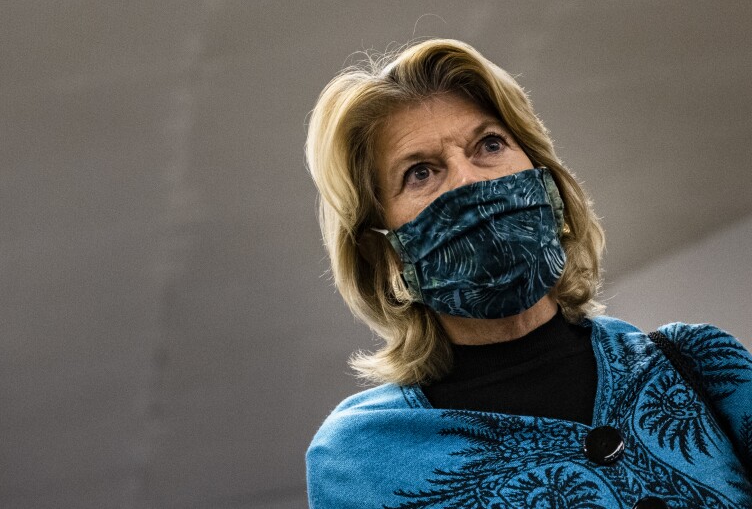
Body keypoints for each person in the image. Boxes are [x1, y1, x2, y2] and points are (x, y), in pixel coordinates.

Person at [304, 39, 752, 508]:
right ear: (384, 251)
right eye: (420, 172)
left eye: (489, 145)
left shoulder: (699, 365)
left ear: (545, 182)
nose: (470, 179)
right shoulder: (359, 457)